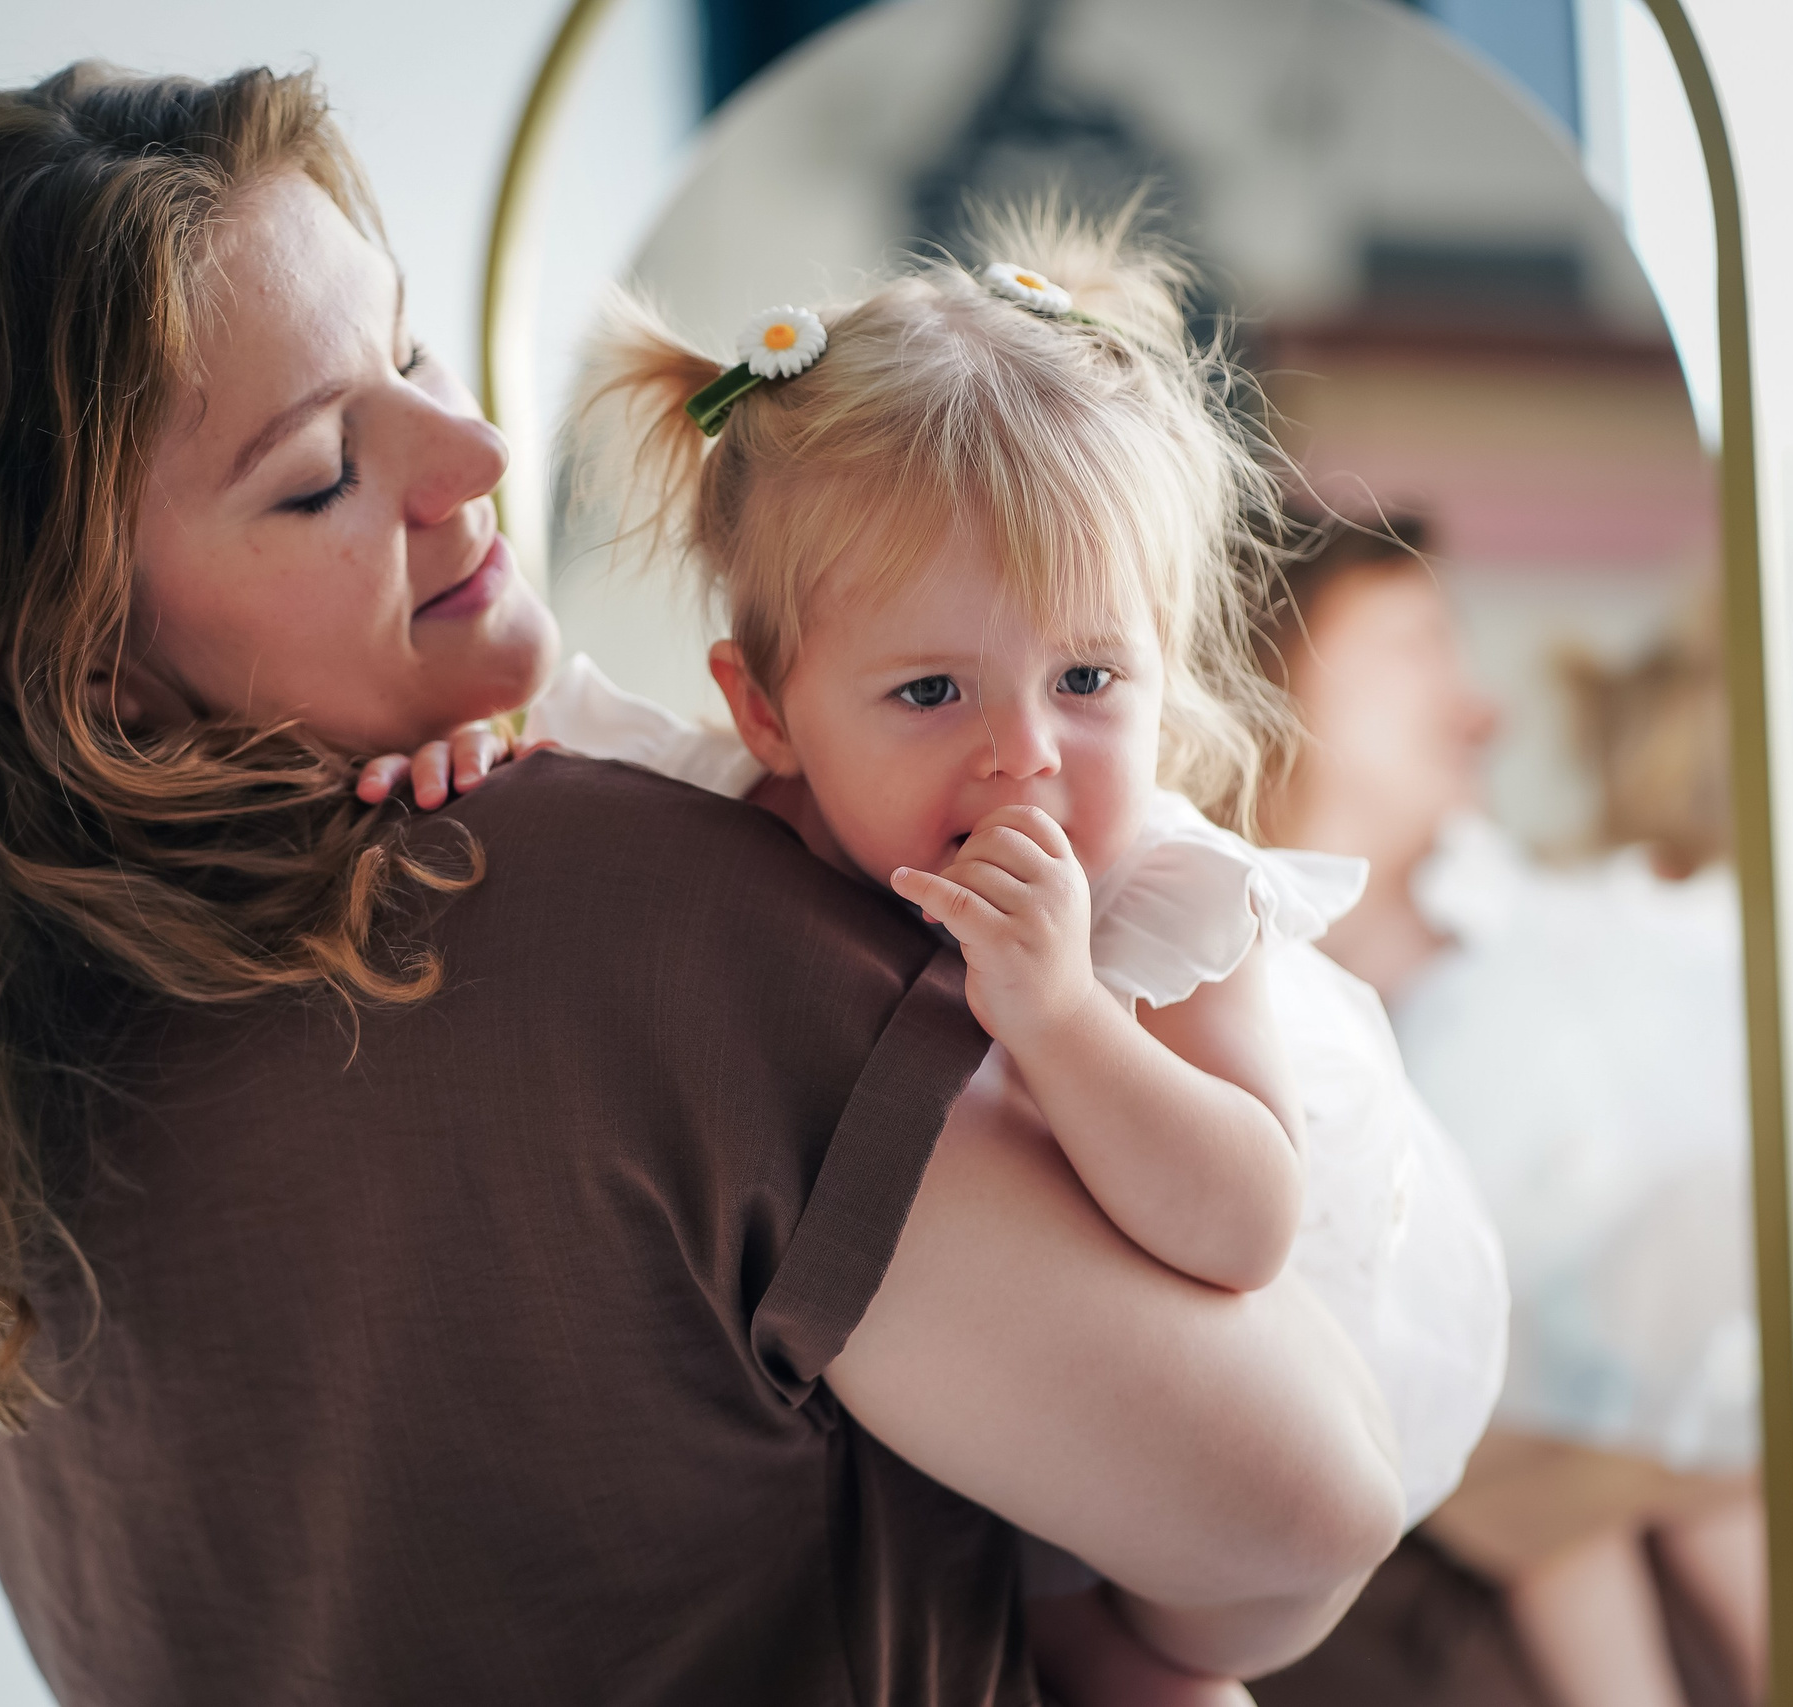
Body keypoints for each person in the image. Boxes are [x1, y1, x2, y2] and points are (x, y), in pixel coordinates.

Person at [0, 64, 1405, 1705]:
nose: (470, 459)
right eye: (322, 475)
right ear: (96, 676)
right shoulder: (610, 922)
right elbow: (1307, 1508)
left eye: (411, 353)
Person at [397, 225, 1504, 1703]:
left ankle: (1128, 1653)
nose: (1026, 752)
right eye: (931, 689)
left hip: (1222, 1440)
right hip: (971, 1431)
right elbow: (557, 811)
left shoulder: (1163, 900)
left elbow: (1245, 1223)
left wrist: (1063, 1016)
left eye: (1090, 677)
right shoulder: (727, 811)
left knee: (1194, 1655)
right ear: (768, 710)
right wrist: (457, 759)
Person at [1249, 521, 1766, 1707]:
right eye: (1416, 646)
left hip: (1623, 1355)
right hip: (1486, 1403)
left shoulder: (1514, 926)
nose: (1479, 703)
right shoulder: (1240, 970)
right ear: (1275, 683)